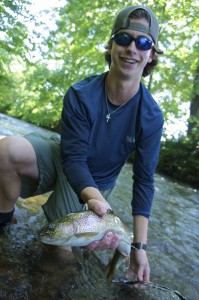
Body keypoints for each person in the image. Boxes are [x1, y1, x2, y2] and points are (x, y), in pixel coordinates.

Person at [0, 5, 164, 282]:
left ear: (151, 54)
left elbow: (144, 181)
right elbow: (73, 158)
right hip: (65, 158)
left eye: (143, 42)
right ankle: (3, 228)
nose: (132, 49)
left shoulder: (151, 116)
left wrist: (139, 247)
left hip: (98, 183)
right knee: (6, 151)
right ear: (111, 44)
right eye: (124, 38)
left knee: (61, 257)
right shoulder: (81, 93)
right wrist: (98, 206)